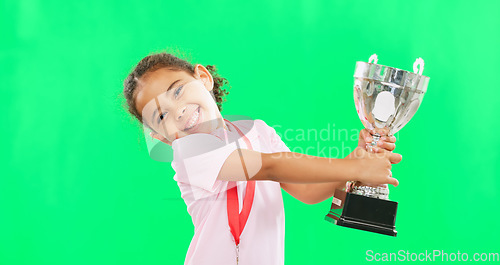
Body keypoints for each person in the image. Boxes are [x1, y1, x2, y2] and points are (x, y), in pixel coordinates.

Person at [123, 52, 401, 265]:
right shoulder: (189, 155)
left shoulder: (258, 131)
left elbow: (306, 190)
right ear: (161, 137)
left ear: (203, 78)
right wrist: (356, 167)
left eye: (178, 90)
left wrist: (360, 155)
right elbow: (268, 166)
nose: (179, 112)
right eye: (161, 116)